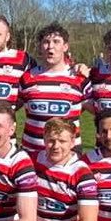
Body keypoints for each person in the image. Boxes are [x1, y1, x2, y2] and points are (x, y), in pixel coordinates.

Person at [21, 22, 87, 155]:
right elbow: (9, 108)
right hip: (33, 153)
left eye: (56, 41)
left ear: (65, 46)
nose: (50, 47)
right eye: (46, 42)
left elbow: (97, 108)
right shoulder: (27, 77)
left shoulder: (80, 77)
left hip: (68, 156)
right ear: (40, 47)